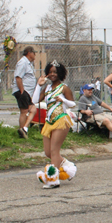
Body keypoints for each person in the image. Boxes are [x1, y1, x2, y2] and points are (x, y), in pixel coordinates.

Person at [33, 61, 77, 189]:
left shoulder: (64, 88)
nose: (52, 74)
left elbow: (73, 104)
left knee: (54, 150)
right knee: (48, 152)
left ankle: (53, 179)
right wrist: (38, 85)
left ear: (60, 74)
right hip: (49, 122)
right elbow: (34, 101)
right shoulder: (46, 88)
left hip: (61, 120)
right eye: (50, 72)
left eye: (55, 72)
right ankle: (68, 166)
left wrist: (63, 100)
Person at [12, 46, 38, 139]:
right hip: (22, 91)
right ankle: (22, 132)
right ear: (29, 53)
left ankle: (24, 129)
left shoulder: (29, 63)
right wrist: (22, 91)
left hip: (27, 92)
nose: (35, 54)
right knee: (24, 112)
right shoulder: (23, 62)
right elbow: (18, 77)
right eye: (34, 52)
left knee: (33, 110)